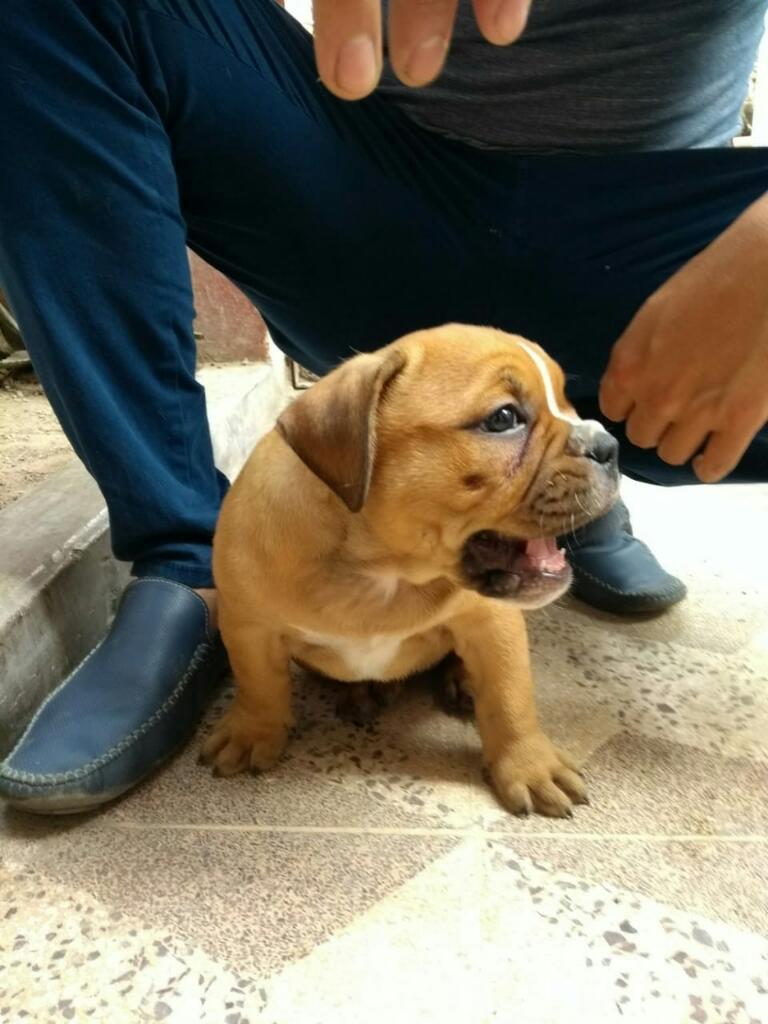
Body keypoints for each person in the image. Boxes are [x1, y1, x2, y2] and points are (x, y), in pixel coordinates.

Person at [0, 0, 766, 814]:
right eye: (512, 423)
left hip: (665, 238)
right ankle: (187, 557)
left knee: (527, 472)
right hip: (375, 176)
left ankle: (553, 512)